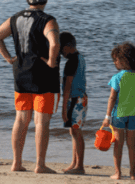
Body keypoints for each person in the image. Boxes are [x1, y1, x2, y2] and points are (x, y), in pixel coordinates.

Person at [0, 0, 60, 174]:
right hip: (43, 78)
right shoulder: (48, 20)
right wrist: (52, 63)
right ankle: (40, 164)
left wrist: (9, 59)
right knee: (41, 121)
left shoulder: (15, 18)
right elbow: (54, 44)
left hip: (20, 74)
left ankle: (17, 163)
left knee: (20, 119)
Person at [102, 42, 135, 180]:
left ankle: (118, 173)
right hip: (134, 114)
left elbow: (112, 98)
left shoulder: (117, 77)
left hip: (119, 115)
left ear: (124, 59)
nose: (114, 63)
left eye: (115, 60)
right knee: (132, 145)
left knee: (118, 144)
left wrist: (107, 116)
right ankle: (133, 174)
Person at [60, 31, 87, 175]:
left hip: (75, 99)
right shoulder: (80, 57)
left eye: (61, 50)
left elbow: (67, 87)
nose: (61, 54)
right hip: (80, 97)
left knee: (76, 131)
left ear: (68, 46)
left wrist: (63, 109)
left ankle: (80, 166)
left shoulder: (71, 61)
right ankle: (74, 162)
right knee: (73, 131)